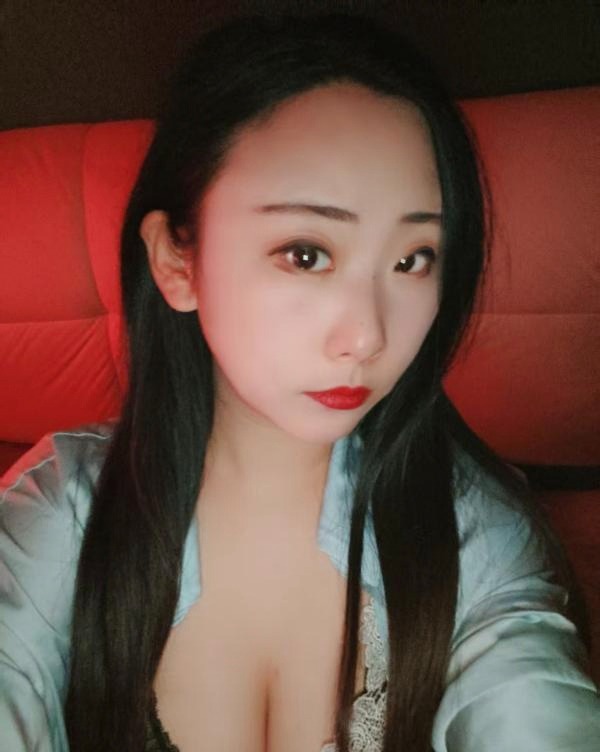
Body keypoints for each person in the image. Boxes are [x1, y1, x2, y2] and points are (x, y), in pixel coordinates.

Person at [1, 10, 599, 752]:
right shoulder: (61, 518)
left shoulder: (473, 532)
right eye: (307, 254)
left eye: (412, 259)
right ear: (177, 262)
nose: (368, 336)